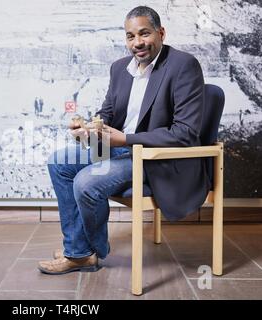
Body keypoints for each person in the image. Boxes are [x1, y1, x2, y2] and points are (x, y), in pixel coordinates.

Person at [38, 6, 209, 274]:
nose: (137, 43)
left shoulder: (183, 65)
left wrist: (126, 139)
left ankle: (81, 253)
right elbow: (106, 114)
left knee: (87, 181)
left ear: (161, 32)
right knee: (58, 162)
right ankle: (80, 250)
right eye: (130, 36)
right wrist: (87, 128)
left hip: (156, 160)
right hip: (120, 149)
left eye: (144, 33)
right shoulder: (119, 68)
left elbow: (185, 133)